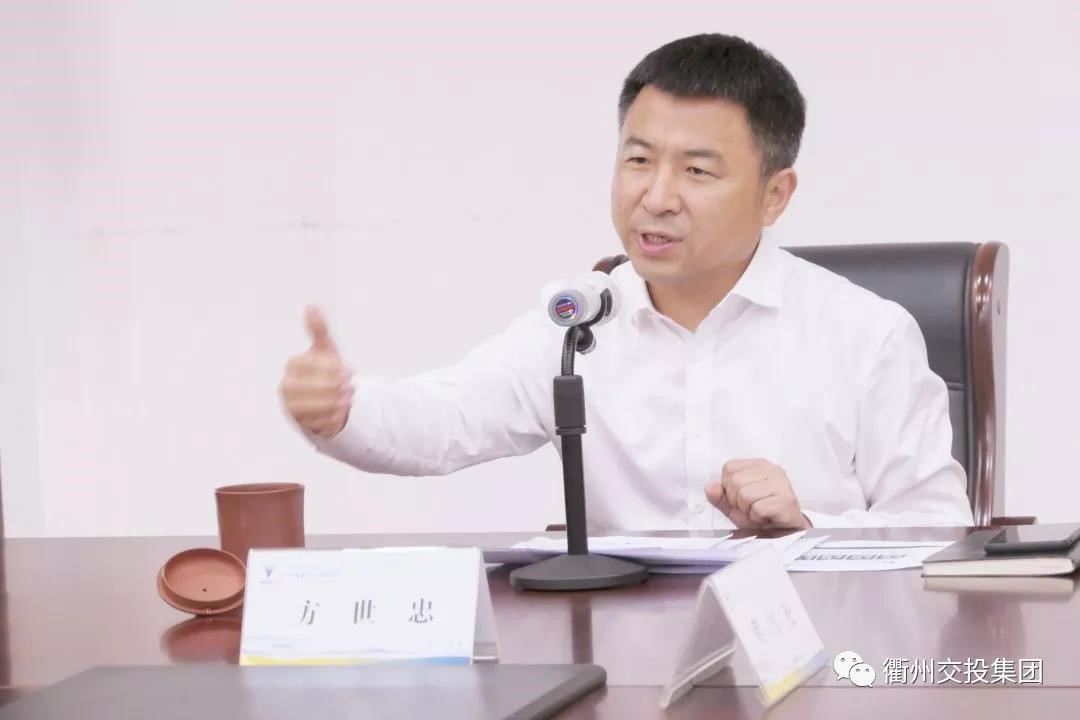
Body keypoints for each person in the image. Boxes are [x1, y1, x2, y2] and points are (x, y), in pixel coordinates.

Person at [279, 33, 974, 530]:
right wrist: (342, 411)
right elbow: (445, 420)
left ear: (774, 195)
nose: (657, 196)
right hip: (629, 656)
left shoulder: (865, 333)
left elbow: (939, 527)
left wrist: (809, 526)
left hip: (824, 649)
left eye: (696, 171)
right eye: (638, 161)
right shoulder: (579, 324)